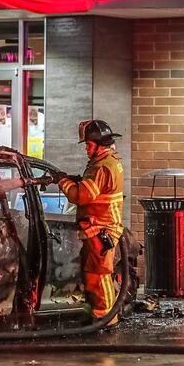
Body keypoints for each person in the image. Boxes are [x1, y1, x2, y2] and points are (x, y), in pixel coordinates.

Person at [55, 119, 125, 326]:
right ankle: (101, 315)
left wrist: (63, 181)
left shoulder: (101, 167)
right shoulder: (108, 162)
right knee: (97, 274)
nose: (86, 148)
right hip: (101, 227)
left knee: (98, 275)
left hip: (100, 229)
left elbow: (81, 196)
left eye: (88, 144)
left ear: (98, 144)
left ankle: (105, 319)